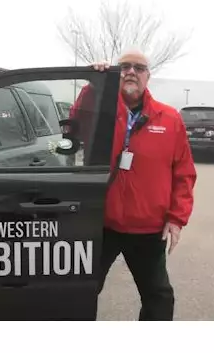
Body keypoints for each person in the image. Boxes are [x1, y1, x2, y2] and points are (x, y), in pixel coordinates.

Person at [68, 49, 197, 321]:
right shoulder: (100, 110)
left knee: (158, 296)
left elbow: (184, 173)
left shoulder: (169, 118)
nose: (130, 72)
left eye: (138, 68)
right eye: (124, 66)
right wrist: (94, 83)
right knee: (81, 290)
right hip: (103, 223)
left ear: (148, 77)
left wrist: (176, 218)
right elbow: (74, 126)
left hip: (148, 228)